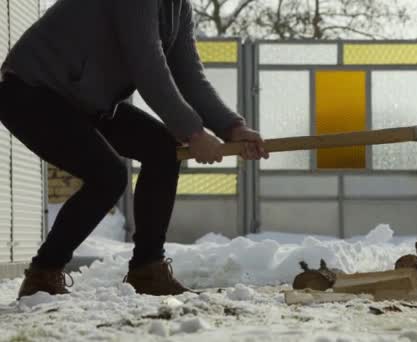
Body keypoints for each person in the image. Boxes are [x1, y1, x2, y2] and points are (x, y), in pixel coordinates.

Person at [0, 0, 268, 298]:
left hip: (85, 101)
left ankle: (147, 270)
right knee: (108, 176)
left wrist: (232, 128)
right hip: (31, 92)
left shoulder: (178, 7)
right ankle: (43, 273)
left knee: (162, 147)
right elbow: (148, 67)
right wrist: (193, 132)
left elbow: (188, 74)